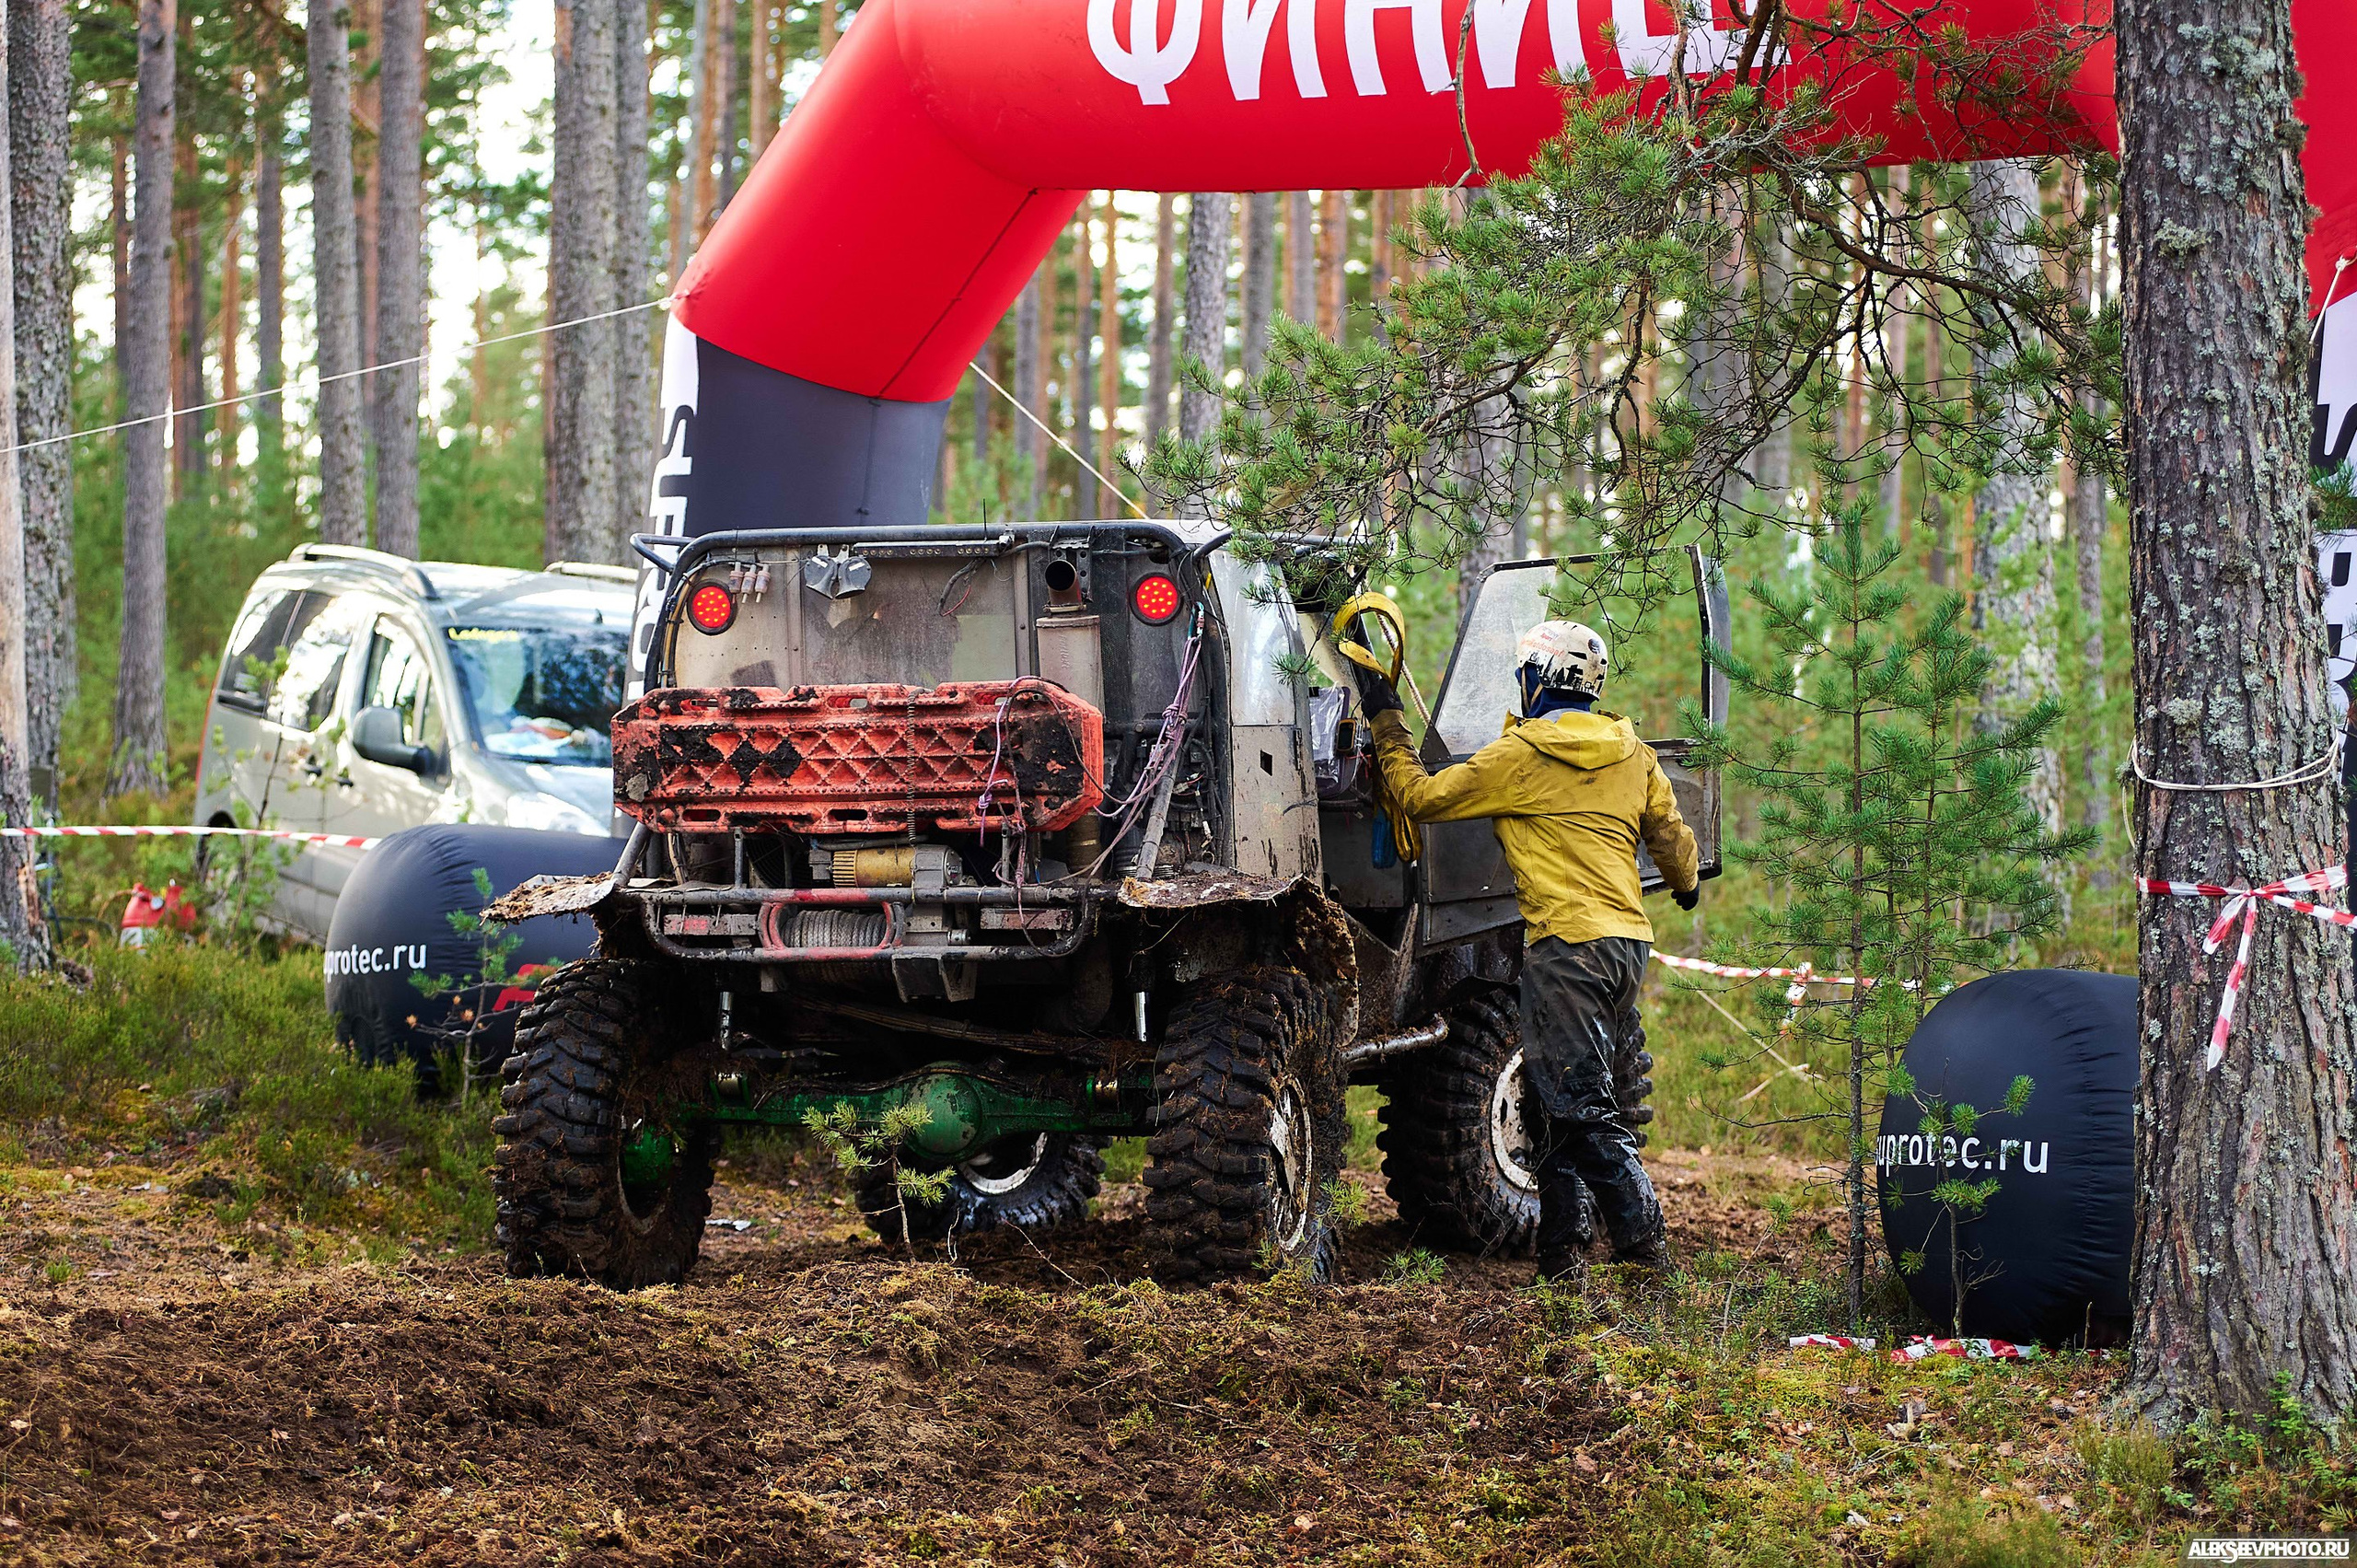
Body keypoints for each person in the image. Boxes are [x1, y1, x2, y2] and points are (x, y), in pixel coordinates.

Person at [1353, 620, 1699, 1283]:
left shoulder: (1521, 755)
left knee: (1582, 1108)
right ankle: (1561, 1258)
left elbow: (1419, 796)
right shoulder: (1634, 753)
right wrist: (1683, 887)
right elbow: (1673, 838)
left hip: (1566, 949)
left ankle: (1645, 1243)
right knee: (1548, 1102)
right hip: (1626, 947)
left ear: (1538, 680)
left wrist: (1386, 717)